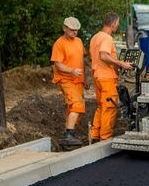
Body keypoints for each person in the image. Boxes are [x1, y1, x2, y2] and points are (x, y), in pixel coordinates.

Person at [89, 12, 134, 141]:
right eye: (117, 24)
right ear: (113, 24)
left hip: (97, 76)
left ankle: (94, 135)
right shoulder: (107, 38)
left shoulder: (95, 37)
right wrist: (121, 64)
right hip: (106, 78)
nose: (118, 26)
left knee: (101, 106)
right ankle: (105, 138)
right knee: (109, 108)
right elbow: (103, 55)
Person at [51, 17, 87, 147]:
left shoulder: (79, 41)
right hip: (66, 79)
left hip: (78, 80)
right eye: (72, 30)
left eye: (77, 30)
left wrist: (85, 78)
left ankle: (68, 135)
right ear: (64, 28)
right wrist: (71, 71)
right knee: (77, 104)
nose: (75, 33)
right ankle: (69, 135)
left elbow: (82, 61)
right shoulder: (59, 44)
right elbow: (58, 64)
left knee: (74, 108)